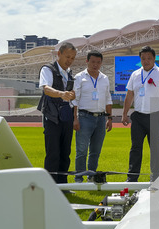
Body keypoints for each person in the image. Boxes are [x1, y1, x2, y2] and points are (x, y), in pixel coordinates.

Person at [122, 46, 159, 182]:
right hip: (138, 116)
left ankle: (156, 177)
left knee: (155, 148)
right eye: (143, 58)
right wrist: (124, 114)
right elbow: (129, 95)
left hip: (155, 116)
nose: (146, 61)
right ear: (140, 59)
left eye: (149, 58)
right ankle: (132, 178)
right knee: (135, 148)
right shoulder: (134, 74)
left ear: (154, 59)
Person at [37, 42, 76, 184]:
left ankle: (63, 185)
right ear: (59, 54)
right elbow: (46, 89)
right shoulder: (48, 69)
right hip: (52, 117)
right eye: (67, 57)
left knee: (66, 153)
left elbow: (70, 94)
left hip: (66, 116)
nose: (69, 60)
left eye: (72, 58)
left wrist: (72, 95)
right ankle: (50, 185)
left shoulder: (69, 72)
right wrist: (61, 94)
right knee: (53, 153)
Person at [72, 50, 113, 183]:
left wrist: (109, 118)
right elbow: (74, 99)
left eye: (98, 62)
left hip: (101, 118)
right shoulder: (79, 77)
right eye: (93, 62)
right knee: (82, 150)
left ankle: (92, 176)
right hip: (84, 117)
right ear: (87, 61)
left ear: (101, 63)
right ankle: (79, 178)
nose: (95, 65)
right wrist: (75, 118)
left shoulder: (104, 78)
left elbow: (108, 98)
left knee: (95, 151)